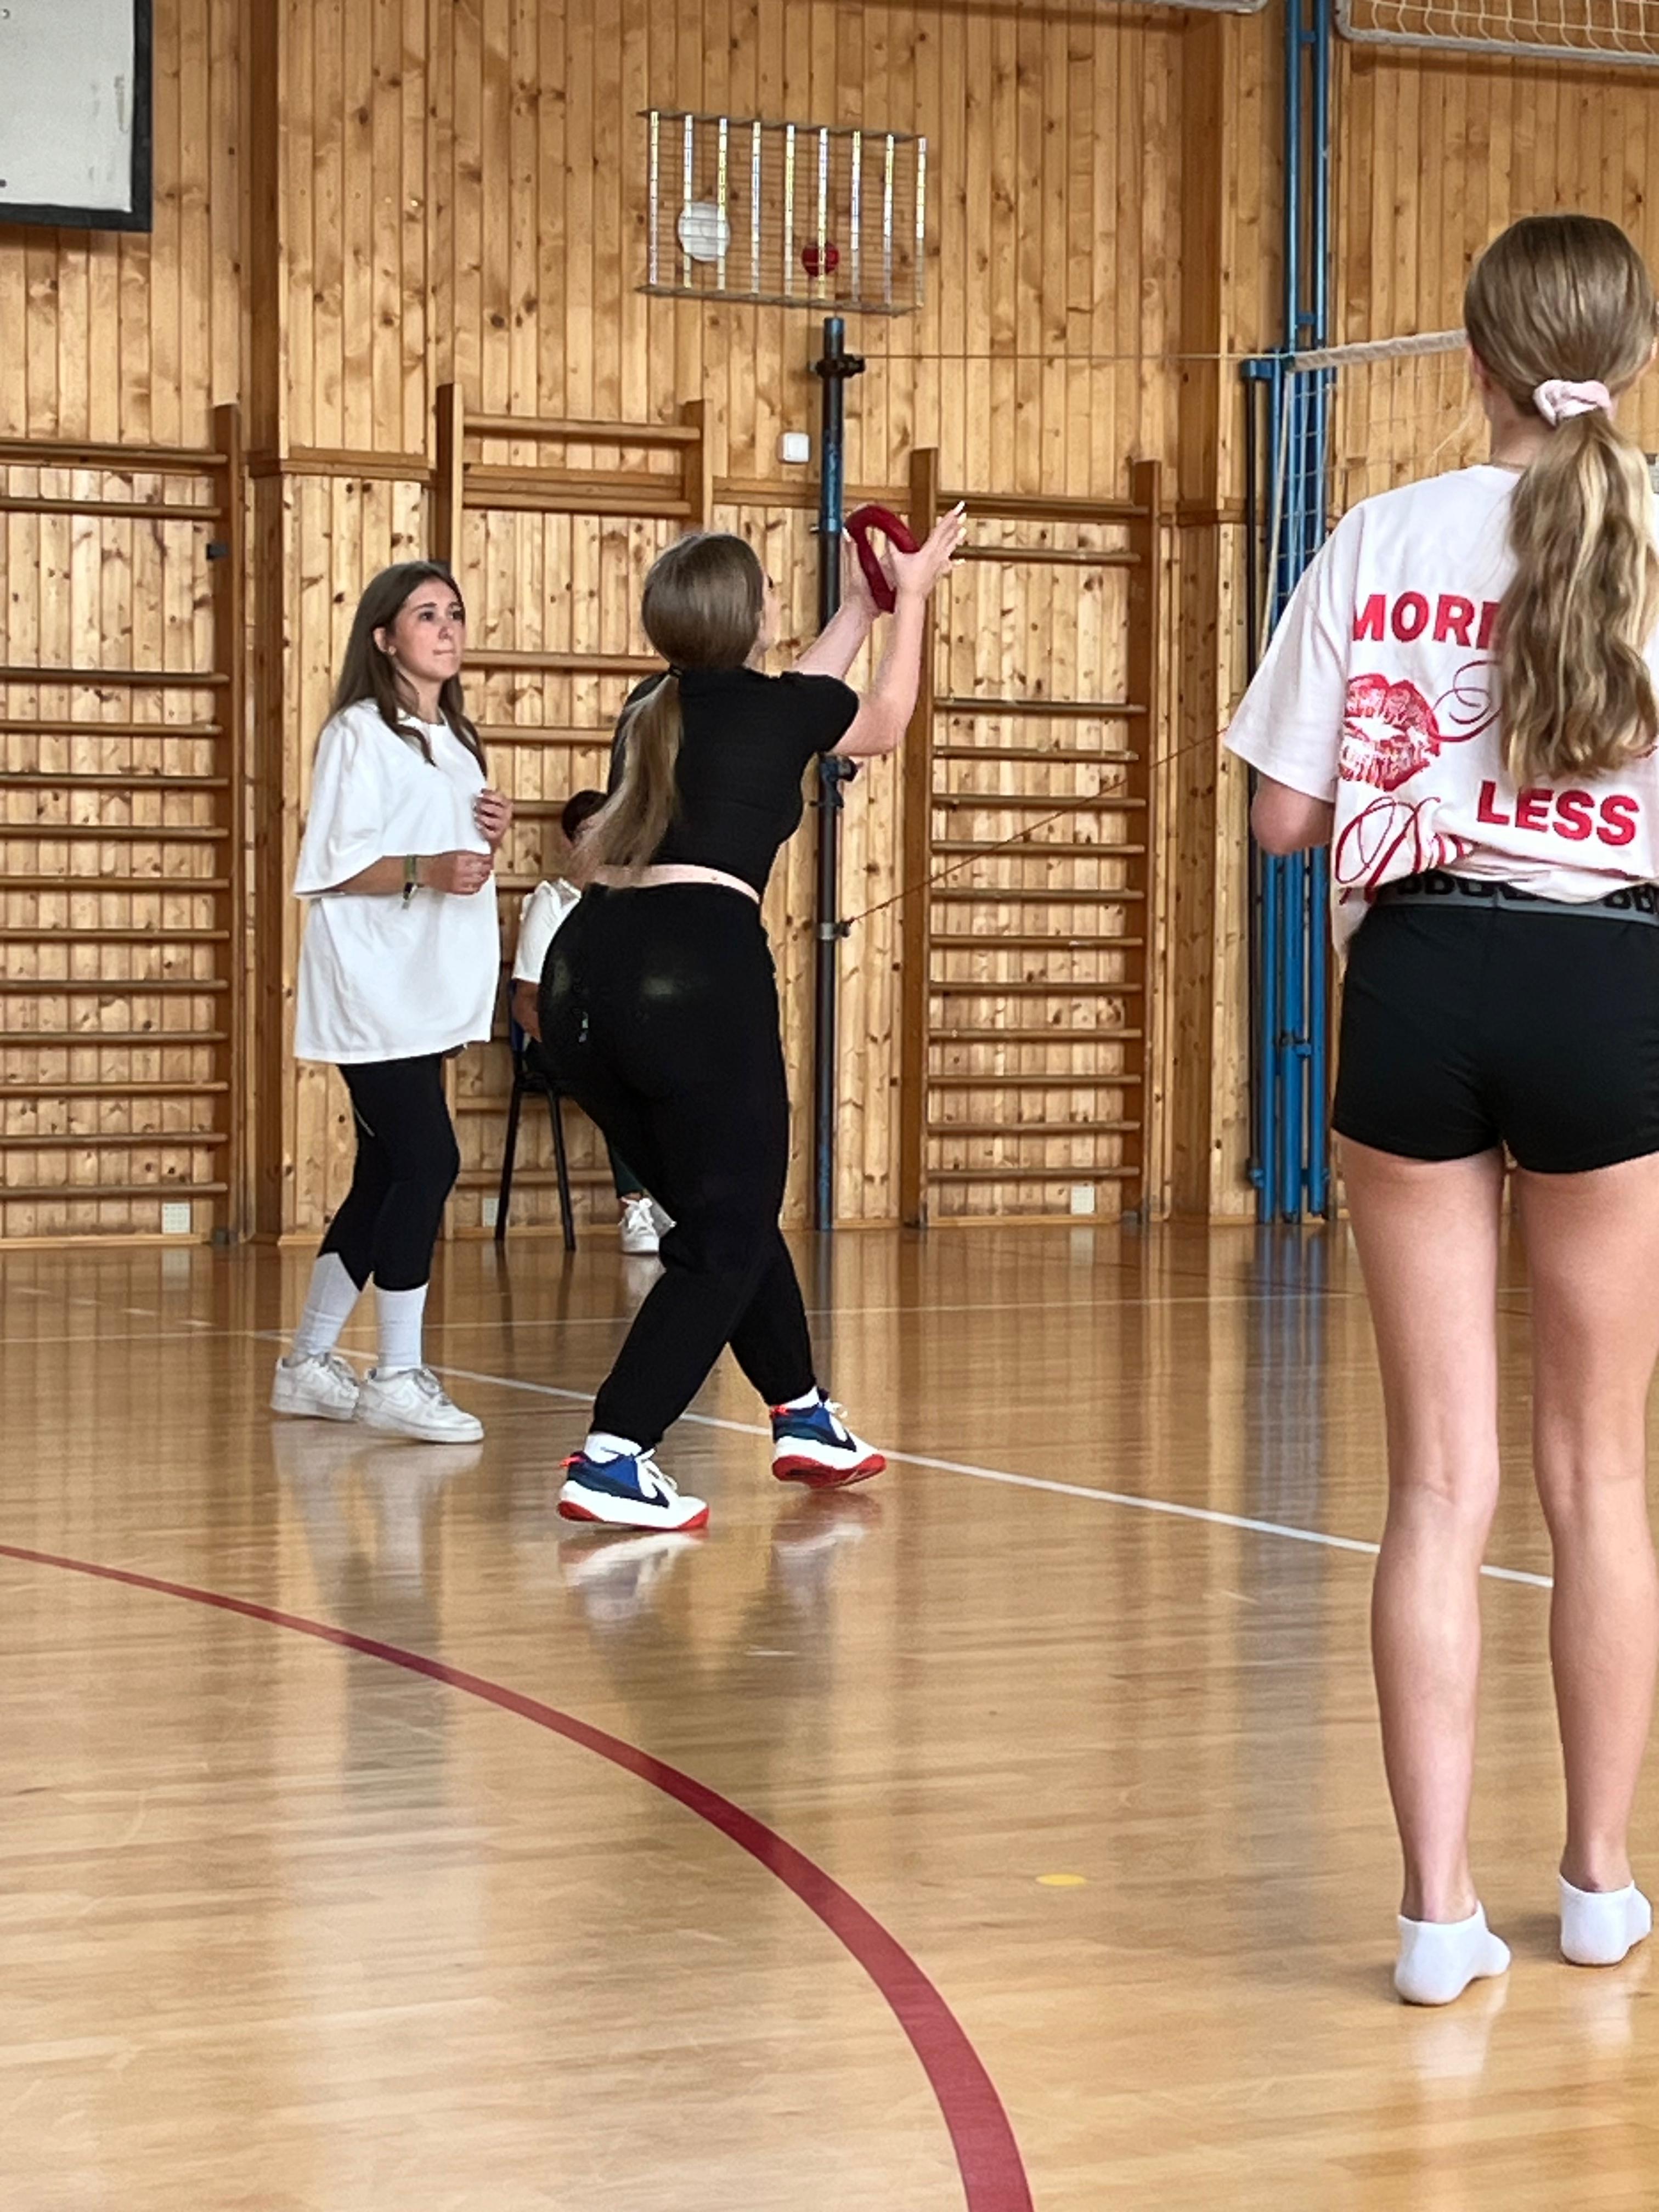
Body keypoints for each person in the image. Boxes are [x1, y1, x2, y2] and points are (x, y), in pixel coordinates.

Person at [1227, 213, 1659, 2005]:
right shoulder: (1653, 536)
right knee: (1601, 1476)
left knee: (1436, 1484)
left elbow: (1280, 821)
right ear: (1630, 361)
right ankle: (1601, 1885)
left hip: (1416, 978)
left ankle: (1433, 1917)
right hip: (1611, 981)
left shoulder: (1380, 535)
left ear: (1472, 359)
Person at [544, 509, 967, 1533]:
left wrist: (858, 609)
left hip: (580, 976)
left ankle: (803, 1413)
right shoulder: (777, 711)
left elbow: (801, 697)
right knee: (727, 1228)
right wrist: (910, 599)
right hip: (691, 975)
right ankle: (615, 1452)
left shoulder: (650, 707)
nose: (781, 602)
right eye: (772, 591)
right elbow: (880, 720)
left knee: (719, 1208)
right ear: (748, 617)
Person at [272, 561, 512, 1444]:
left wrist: (484, 834)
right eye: (426, 615)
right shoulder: (357, 733)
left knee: (384, 1174)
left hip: (422, 987)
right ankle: (398, 1374)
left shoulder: (455, 738)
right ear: (384, 637)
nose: (447, 629)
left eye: (455, 613)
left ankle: (307, 1364)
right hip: (371, 988)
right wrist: (428, 867)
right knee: (429, 1162)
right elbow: (332, 868)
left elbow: (441, 849)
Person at [510, 788, 668, 1256]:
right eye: (586, 834)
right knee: (617, 1074)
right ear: (568, 842)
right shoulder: (552, 904)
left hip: (613, 1037)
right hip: (555, 1040)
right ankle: (633, 1206)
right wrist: (568, 1043)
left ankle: (669, 1198)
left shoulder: (627, 906)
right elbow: (525, 1001)